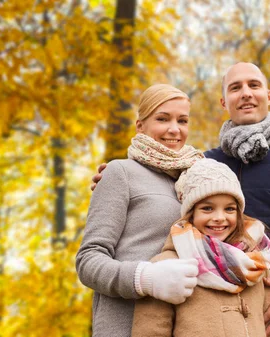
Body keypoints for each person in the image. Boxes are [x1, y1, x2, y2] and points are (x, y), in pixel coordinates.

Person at [91, 62, 270, 337]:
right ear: (224, 102)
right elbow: (155, 176)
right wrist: (114, 174)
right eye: (236, 88)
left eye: (254, 85)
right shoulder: (201, 164)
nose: (245, 93)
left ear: (268, 96)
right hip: (223, 324)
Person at [75, 84, 205, 337]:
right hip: (126, 326)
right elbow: (88, 260)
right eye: (162, 119)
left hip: (187, 325)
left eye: (183, 120)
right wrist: (145, 278)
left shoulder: (198, 178)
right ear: (140, 126)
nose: (174, 129)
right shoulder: (120, 173)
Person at [131, 158, 270, 337]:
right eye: (207, 208)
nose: (219, 217)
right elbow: (150, 331)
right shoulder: (166, 266)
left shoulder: (256, 262)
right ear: (191, 214)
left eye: (229, 209)